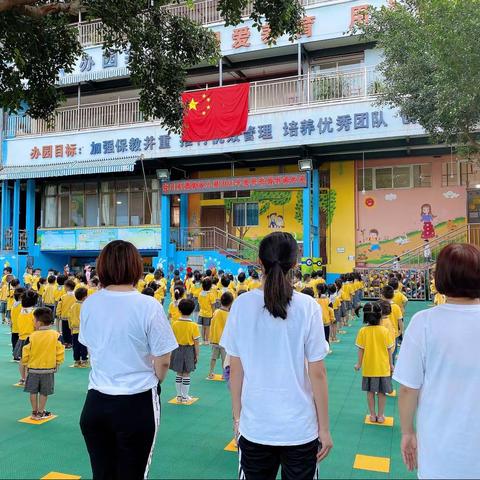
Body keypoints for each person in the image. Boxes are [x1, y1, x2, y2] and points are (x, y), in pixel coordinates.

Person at [221, 232, 332, 479]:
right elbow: (318, 372)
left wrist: (237, 418)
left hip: (256, 426)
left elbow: (235, 369)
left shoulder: (241, 305)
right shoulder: (308, 307)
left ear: (260, 263)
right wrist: (324, 428)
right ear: (295, 264)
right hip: (300, 428)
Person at [79, 240, 177, 480]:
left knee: (102, 474)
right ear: (136, 267)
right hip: (137, 402)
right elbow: (164, 359)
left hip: (95, 402)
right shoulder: (149, 305)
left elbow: (91, 347)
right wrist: (156, 378)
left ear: (102, 267)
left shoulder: (90, 303)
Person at [393, 243, 480, 478]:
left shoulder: (424, 323)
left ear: (440, 276)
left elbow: (408, 389)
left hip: (440, 451)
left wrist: (407, 432)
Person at [22, 307, 65, 420]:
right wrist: (58, 363)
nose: (33, 322)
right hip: (48, 369)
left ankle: (34, 412)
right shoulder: (56, 335)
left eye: (34, 320)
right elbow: (60, 351)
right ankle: (41, 412)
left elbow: (25, 353)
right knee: (44, 392)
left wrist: (26, 365)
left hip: (33, 370)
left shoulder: (31, 336)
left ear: (39, 322)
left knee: (33, 391)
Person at [354, 302, 394, 424]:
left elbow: (361, 349)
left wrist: (359, 364)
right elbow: (389, 350)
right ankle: (381, 416)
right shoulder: (385, 331)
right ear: (380, 315)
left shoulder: (363, 331)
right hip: (383, 368)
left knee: (370, 392)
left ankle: (372, 415)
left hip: (369, 368)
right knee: (382, 393)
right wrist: (391, 365)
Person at [170, 298, 200, 404]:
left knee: (179, 373)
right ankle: (185, 396)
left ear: (179, 310)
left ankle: (179, 395)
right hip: (188, 350)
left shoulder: (174, 324)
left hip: (177, 349)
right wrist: (197, 354)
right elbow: (196, 342)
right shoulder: (193, 325)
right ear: (192, 311)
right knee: (186, 373)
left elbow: (171, 339)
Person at [14, 290, 38, 384]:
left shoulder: (21, 310)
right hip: (31, 338)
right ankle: (28, 378)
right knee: (30, 360)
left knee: (22, 359)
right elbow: (36, 326)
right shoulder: (34, 312)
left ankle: (23, 378)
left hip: (21, 338)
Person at [208, 291, 234, 379]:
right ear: (231, 303)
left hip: (215, 340)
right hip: (225, 341)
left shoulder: (216, 312)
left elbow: (212, 325)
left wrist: (210, 338)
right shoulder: (230, 315)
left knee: (213, 358)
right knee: (224, 359)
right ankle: (224, 374)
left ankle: (211, 372)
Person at [69, 287, 89, 368]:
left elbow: (69, 317)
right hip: (83, 329)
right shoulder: (85, 306)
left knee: (76, 346)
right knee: (83, 345)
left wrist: (70, 328)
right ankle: (84, 360)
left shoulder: (73, 306)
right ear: (84, 297)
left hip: (75, 330)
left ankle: (76, 361)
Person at [56, 279, 76, 348]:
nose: (64, 288)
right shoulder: (76, 296)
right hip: (73, 317)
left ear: (68, 287)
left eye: (65, 287)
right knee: (72, 330)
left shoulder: (63, 297)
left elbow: (59, 306)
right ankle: (71, 342)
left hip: (64, 317)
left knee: (65, 331)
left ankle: (66, 343)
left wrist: (58, 314)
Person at [197, 277, 216, 345]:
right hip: (208, 314)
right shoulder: (211, 294)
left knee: (202, 327)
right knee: (207, 327)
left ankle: (202, 340)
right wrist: (214, 313)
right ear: (210, 286)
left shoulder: (200, 294)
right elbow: (213, 305)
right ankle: (207, 340)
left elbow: (199, 304)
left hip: (201, 313)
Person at [11, 287, 25, 360]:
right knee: (19, 342)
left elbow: (12, 314)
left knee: (14, 340)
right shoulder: (22, 305)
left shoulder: (14, 303)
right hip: (20, 327)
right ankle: (17, 354)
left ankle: (15, 354)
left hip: (14, 326)